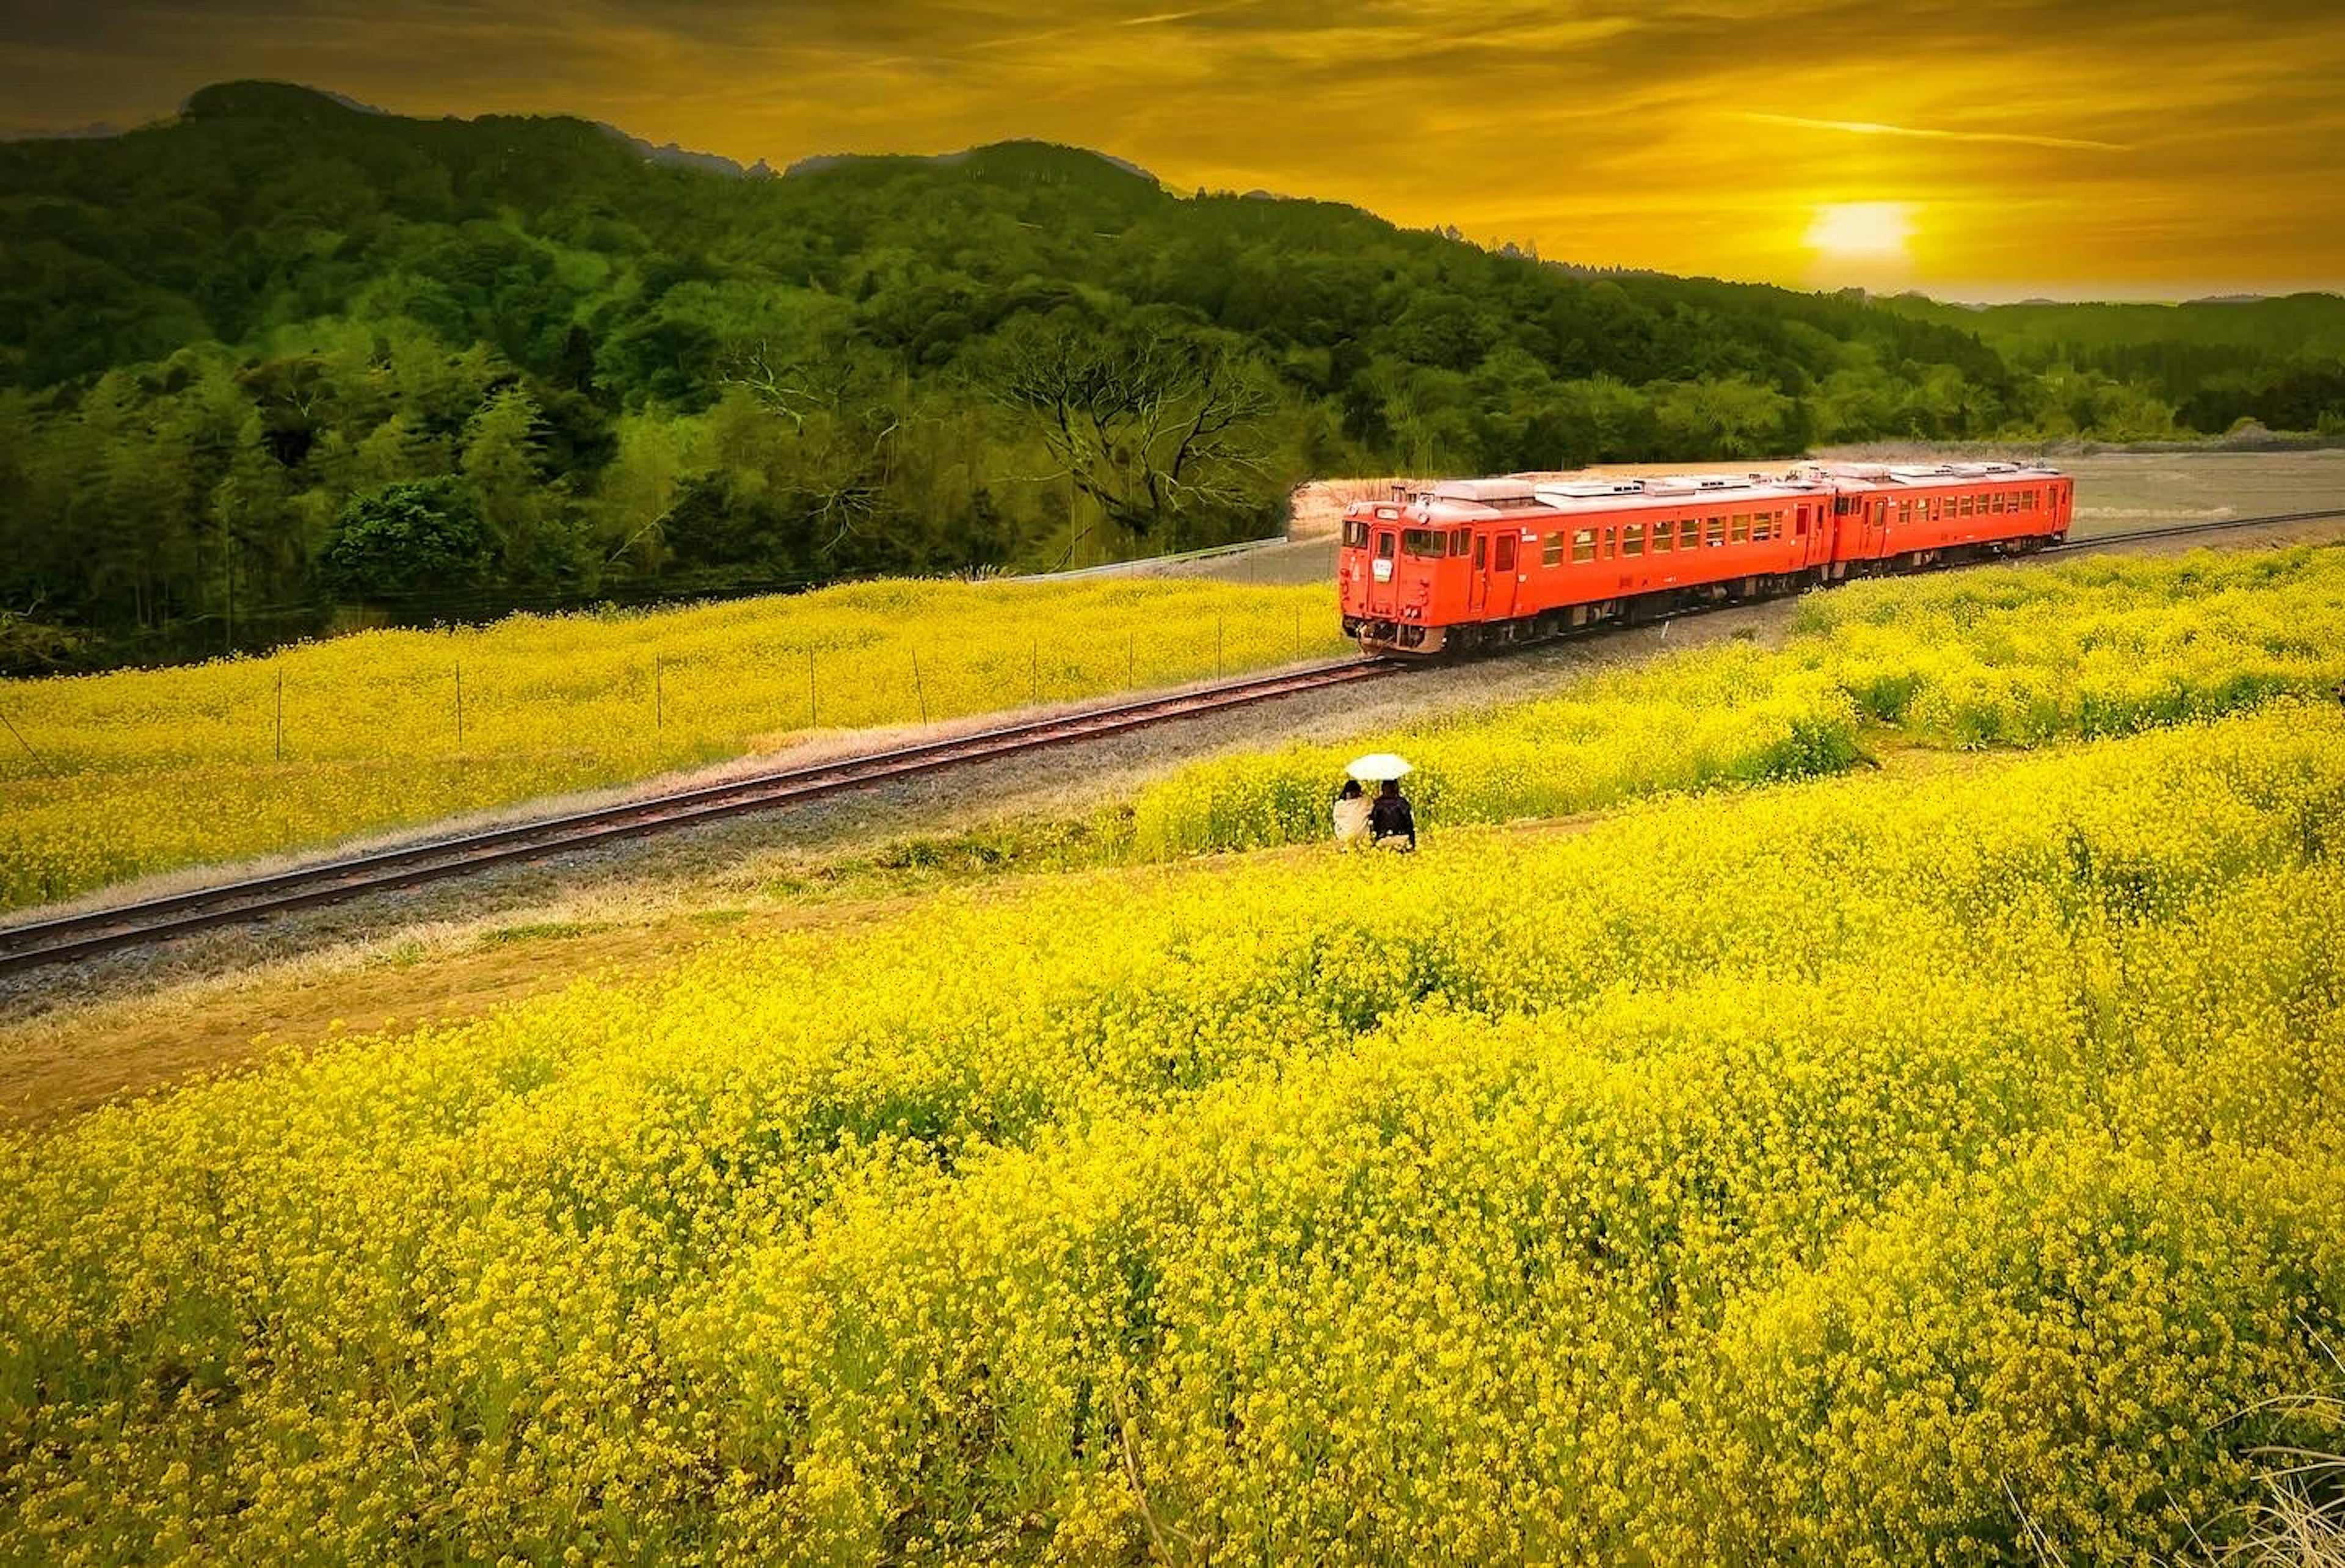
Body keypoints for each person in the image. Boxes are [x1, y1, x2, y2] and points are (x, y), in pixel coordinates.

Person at [1369, 778, 1416, 852]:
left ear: (1383, 788)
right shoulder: (1402, 802)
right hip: (1402, 840)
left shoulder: (1377, 804)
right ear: (1396, 787)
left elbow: (1373, 825)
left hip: (1383, 841)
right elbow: (1409, 825)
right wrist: (1412, 845)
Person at [1332, 779, 1370, 849]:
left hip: (1346, 838)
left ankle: (1346, 845)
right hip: (1364, 838)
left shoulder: (1339, 805)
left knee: (1338, 824)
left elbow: (1336, 820)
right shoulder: (1366, 801)